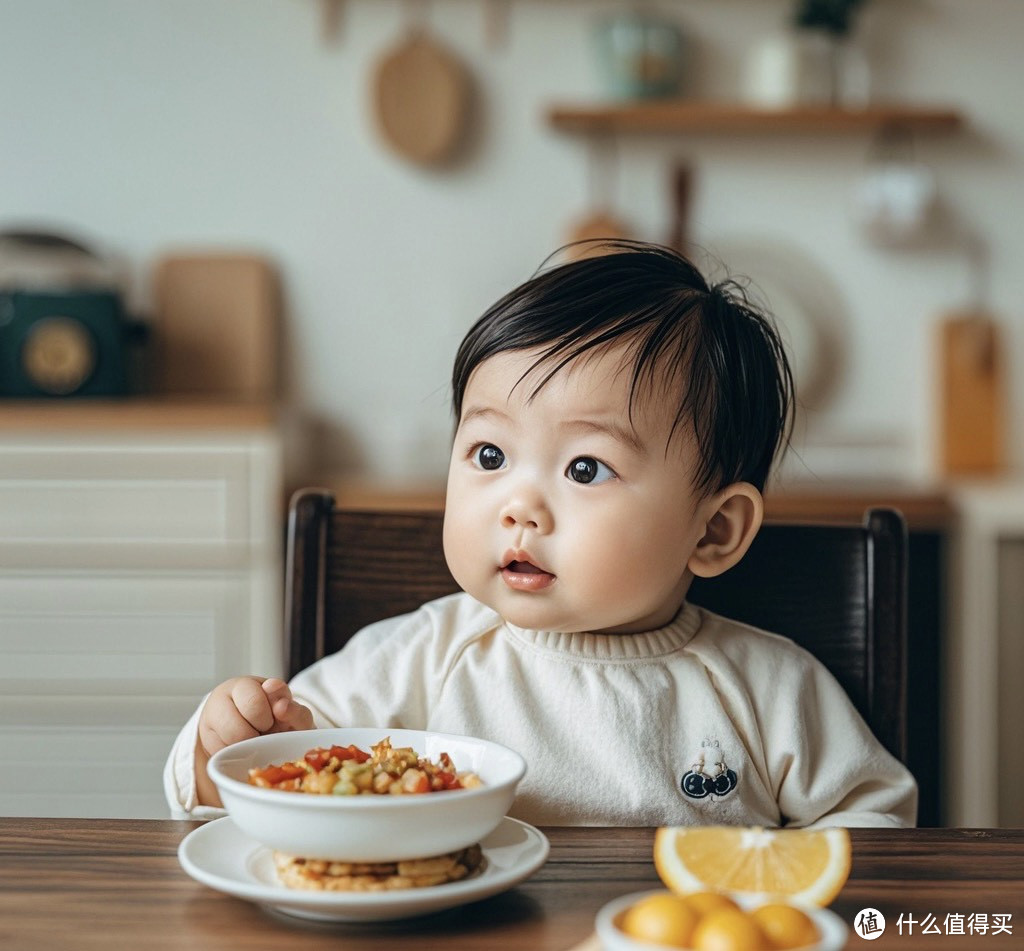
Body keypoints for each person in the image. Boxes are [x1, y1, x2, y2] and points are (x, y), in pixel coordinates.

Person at [165, 240, 917, 828]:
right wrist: (221, 750)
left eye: (587, 467)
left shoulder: (764, 688)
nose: (520, 506)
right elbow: (283, 774)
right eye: (490, 455)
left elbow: (876, 815)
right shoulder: (419, 662)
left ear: (715, 529)